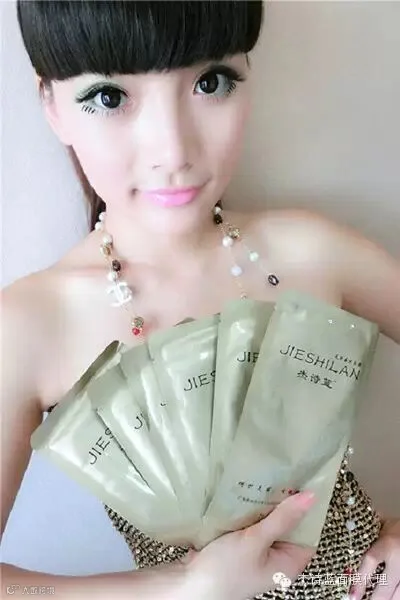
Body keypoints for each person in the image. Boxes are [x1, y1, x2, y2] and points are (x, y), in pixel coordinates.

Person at [1, 1, 400, 599]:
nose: (173, 150)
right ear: (52, 104)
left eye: (211, 82)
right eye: (110, 97)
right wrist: (179, 588)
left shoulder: (311, 252)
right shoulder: (32, 325)